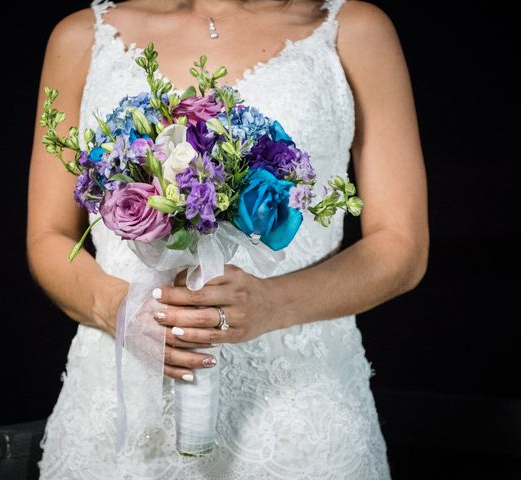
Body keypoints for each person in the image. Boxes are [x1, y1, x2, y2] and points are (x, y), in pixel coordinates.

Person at [27, 0, 428, 477]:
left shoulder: (352, 30)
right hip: (122, 417)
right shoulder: (80, 37)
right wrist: (117, 308)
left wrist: (276, 304)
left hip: (298, 415)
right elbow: (48, 236)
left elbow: (401, 244)